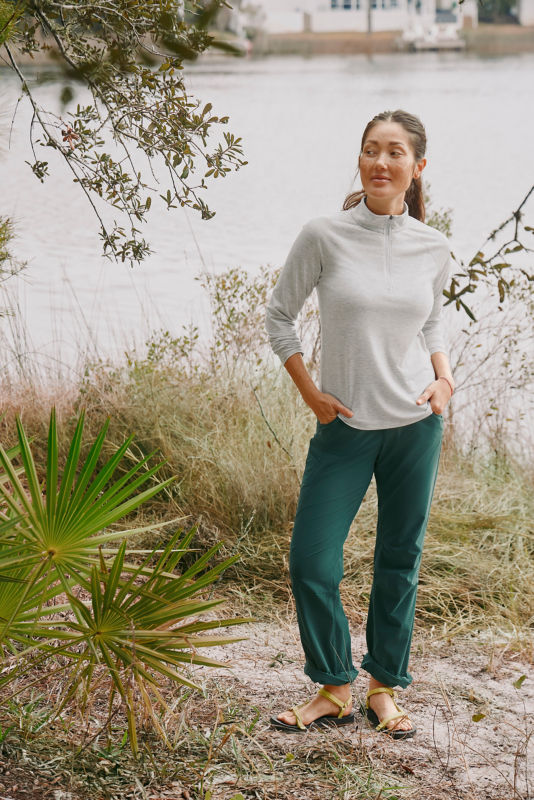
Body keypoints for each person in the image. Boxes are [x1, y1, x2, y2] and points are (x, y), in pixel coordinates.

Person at [264, 109, 455, 740]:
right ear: (360, 160)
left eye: (395, 152)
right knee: (311, 562)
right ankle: (333, 685)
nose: (380, 161)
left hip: (414, 426)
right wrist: (312, 394)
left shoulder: (433, 245)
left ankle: (382, 690)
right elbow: (280, 317)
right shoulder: (324, 234)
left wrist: (444, 379)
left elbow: (432, 322)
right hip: (344, 426)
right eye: (371, 150)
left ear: (416, 167)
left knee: (400, 558)